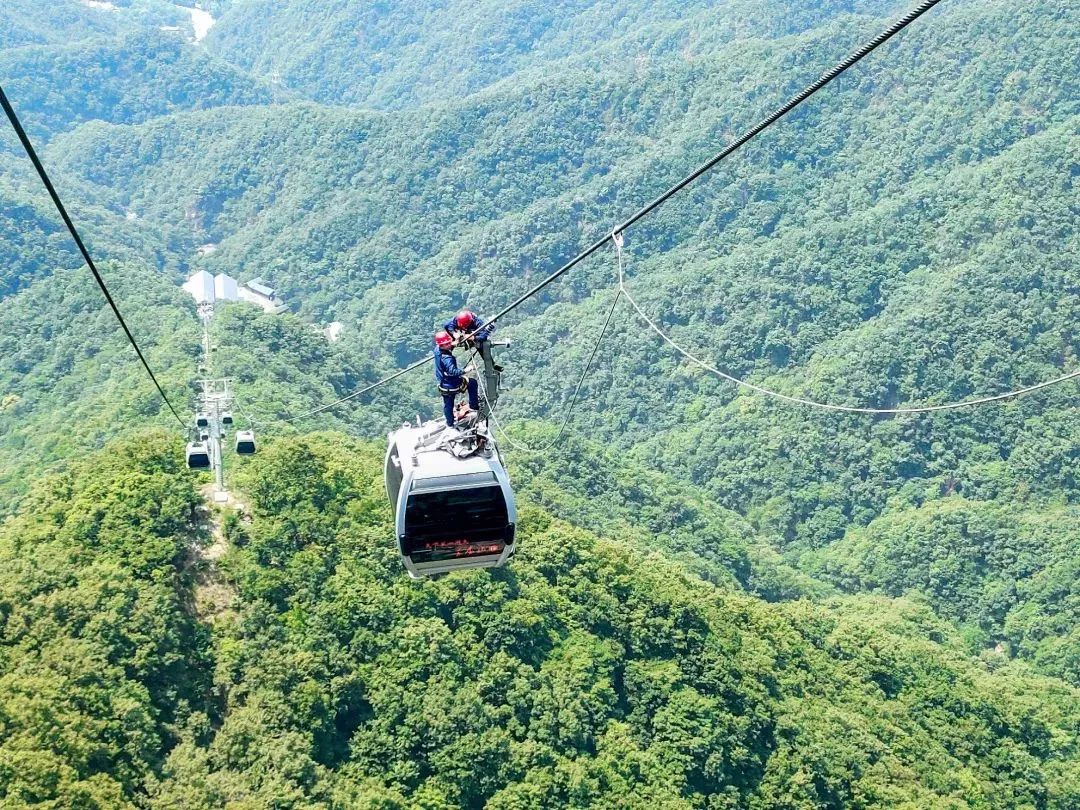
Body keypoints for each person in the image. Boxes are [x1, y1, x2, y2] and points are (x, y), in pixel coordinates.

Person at [434, 330, 479, 428]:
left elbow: (447, 346)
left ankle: (450, 423)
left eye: (449, 343)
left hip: (443, 384)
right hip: (453, 384)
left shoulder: (437, 349)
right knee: (472, 383)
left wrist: (456, 342)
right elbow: (453, 371)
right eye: (447, 344)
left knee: (448, 404)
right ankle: (473, 406)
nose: (449, 345)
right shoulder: (447, 359)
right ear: (443, 345)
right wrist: (466, 370)